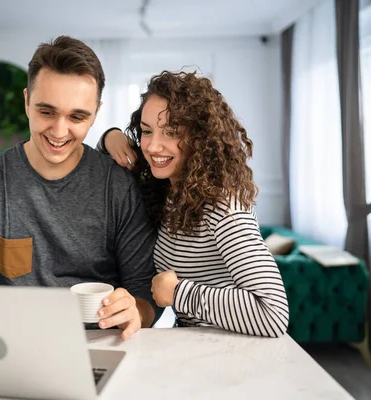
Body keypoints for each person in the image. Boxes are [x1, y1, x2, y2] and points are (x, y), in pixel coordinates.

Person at [0, 36, 162, 340]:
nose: (59, 131)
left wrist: (135, 310)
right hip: (13, 347)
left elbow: (145, 294)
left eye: (77, 116)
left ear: (96, 113)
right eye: (46, 111)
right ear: (27, 101)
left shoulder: (119, 187)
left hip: (103, 343)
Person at [98, 70, 289, 337]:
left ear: (199, 138)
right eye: (146, 131)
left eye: (171, 132)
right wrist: (110, 137)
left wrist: (179, 293)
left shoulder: (223, 207)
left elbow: (273, 314)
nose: (153, 146)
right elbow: (108, 168)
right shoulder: (169, 192)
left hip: (235, 356)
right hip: (196, 347)